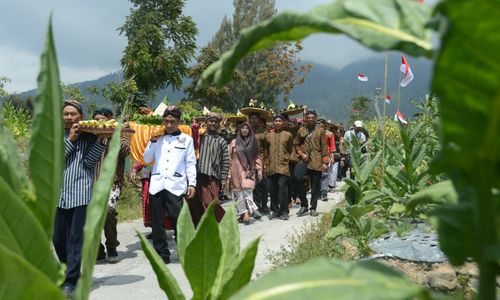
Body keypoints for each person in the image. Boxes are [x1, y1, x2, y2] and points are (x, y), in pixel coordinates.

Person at [53, 100, 108, 297]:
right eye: (65, 113)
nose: (68, 117)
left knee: (75, 240)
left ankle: (71, 280)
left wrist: (101, 142)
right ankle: (68, 272)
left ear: (80, 116)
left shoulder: (88, 136)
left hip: (80, 194)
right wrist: (70, 140)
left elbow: (88, 163)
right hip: (57, 195)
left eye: (72, 114)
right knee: (58, 239)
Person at [143, 106, 197, 264]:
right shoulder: (157, 138)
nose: (168, 125)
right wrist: (152, 142)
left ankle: (184, 250)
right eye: (166, 121)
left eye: (172, 122)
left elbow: (190, 163)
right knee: (157, 222)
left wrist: (192, 183)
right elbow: (146, 160)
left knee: (176, 217)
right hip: (157, 184)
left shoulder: (186, 140)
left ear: (179, 122)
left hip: (176, 184)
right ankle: (162, 254)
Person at [92, 108, 131, 264]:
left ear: (111, 120)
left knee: (108, 212)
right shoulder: (89, 133)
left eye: (103, 119)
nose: (99, 122)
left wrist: (111, 134)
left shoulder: (122, 132)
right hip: (89, 182)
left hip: (112, 182)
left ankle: (112, 246)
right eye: (97, 119)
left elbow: (125, 151)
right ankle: (98, 249)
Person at [188, 112, 230, 225]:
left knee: (210, 202)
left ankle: (223, 223)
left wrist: (224, 178)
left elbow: (225, 160)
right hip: (196, 175)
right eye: (211, 121)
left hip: (212, 176)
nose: (213, 123)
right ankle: (200, 228)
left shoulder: (221, 140)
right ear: (206, 122)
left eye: (216, 122)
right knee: (195, 204)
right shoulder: (199, 136)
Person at [294, 109, 330, 217]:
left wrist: (325, 162)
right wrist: (301, 153)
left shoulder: (320, 131)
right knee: (298, 177)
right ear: (305, 118)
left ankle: (313, 208)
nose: (310, 119)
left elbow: (324, 147)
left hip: (317, 159)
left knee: (315, 185)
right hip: (304, 159)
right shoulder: (301, 130)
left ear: (315, 118)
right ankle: (304, 205)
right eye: (308, 117)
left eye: (312, 118)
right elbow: (296, 143)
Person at [228, 122, 262, 224]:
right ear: (240, 130)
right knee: (239, 193)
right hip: (235, 170)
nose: (245, 130)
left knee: (247, 191)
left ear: (249, 130)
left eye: (247, 128)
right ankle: (244, 213)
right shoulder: (234, 142)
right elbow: (229, 157)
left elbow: (257, 157)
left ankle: (249, 212)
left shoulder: (253, 143)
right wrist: (228, 172)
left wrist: (259, 169)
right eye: (243, 128)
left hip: (248, 170)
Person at [265, 114, 294, 220]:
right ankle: (275, 210)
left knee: (283, 189)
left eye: (279, 121)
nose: (277, 123)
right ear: (273, 122)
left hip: (283, 166)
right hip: (272, 166)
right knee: (272, 189)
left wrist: (287, 159)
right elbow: (266, 150)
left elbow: (290, 149)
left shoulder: (288, 135)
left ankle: (284, 211)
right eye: (276, 121)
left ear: (283, 123)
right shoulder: (268, 136)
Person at [248, 112, 270, 214]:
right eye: (251, 118)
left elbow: (267, 148)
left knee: (263, 184)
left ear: (258, 120)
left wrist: (266, 162)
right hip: (249, 161)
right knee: (254, 185)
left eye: (255, 119)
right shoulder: (246, 131)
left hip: (261, 160)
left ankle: (264, 205)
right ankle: (256, 206)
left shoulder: (263, 133)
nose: (253, 120)